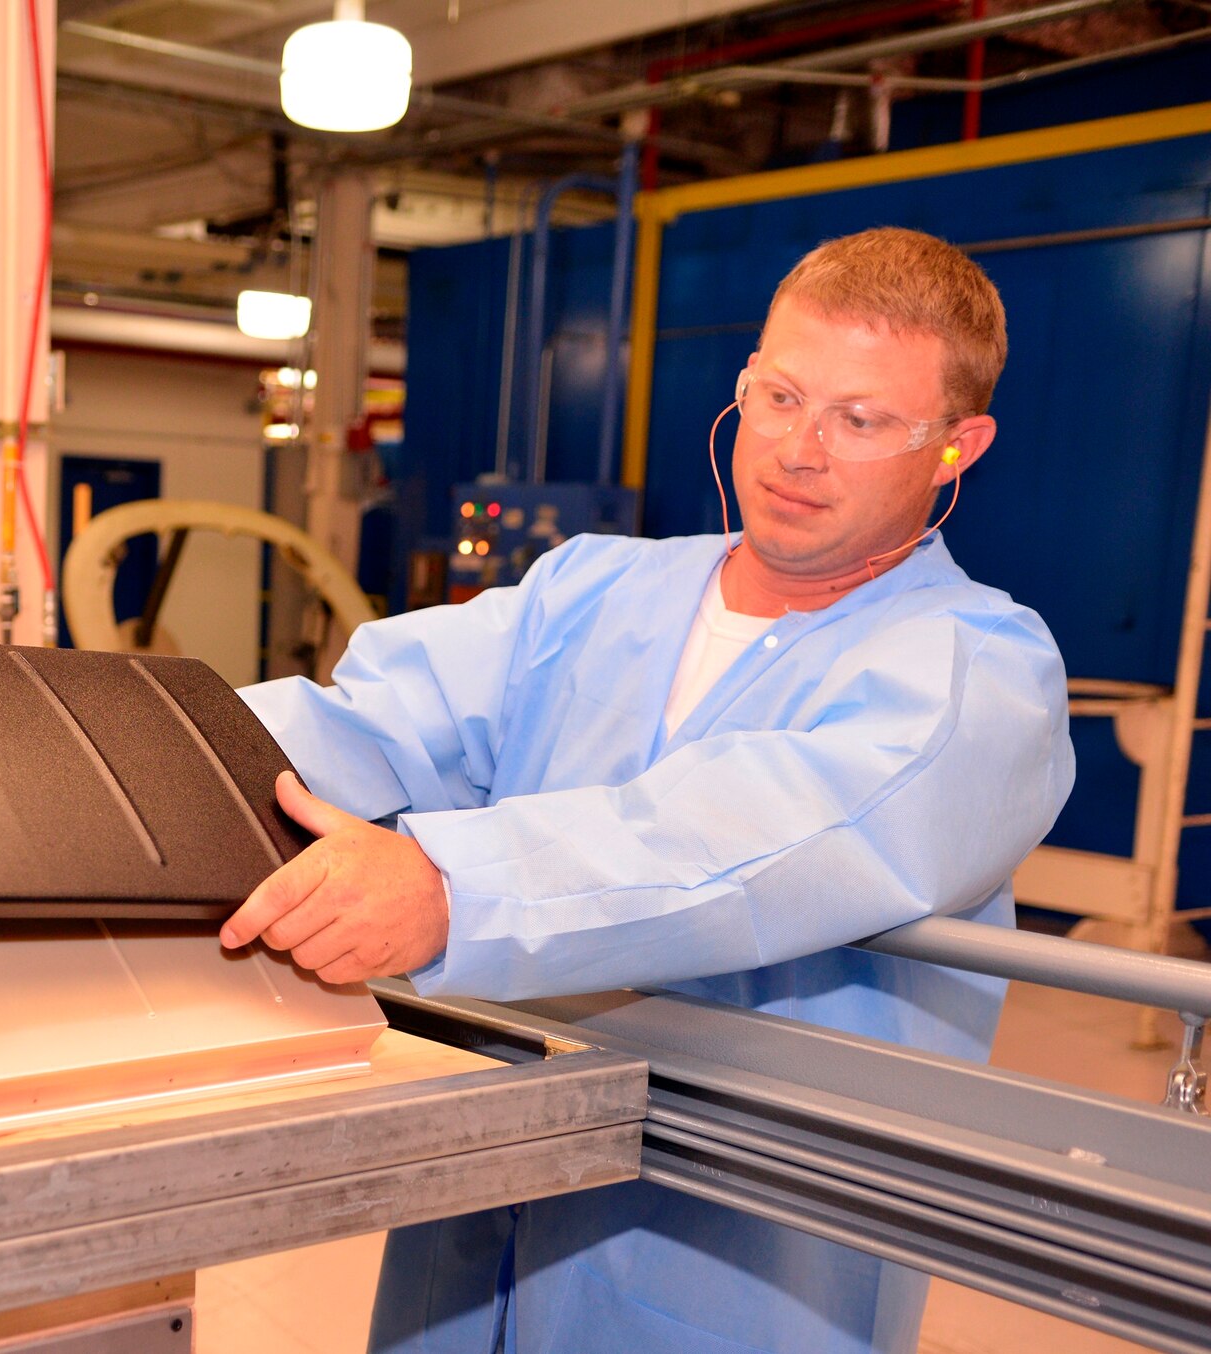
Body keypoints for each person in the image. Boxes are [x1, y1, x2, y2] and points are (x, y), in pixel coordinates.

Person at [225, 227, 1075, 1354]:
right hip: (485, 1205)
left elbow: (729, 838)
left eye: (858, 419)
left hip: (741, 1253)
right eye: (775, 395)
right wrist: (128, 755)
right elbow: (366, 716)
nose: (795, 449)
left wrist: (448, 887)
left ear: (956, 447)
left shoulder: (973, 673)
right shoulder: (594, 587)